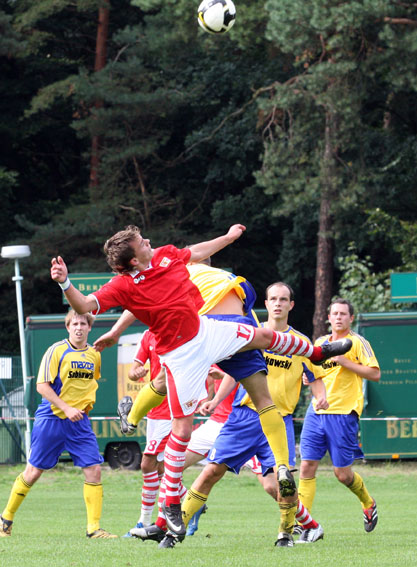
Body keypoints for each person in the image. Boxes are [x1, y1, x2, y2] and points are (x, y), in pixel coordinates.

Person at [50, 224, 351, 542]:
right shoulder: (122, 285)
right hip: (181, 355)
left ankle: (317, 353)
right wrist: (65, 282)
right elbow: (84, 305)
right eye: (142, 243)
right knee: (181, 430)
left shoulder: (164, 255)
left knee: (263, 335)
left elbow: (196, 251)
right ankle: (171, 503)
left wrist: (228, 238)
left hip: (206, 330)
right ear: (134, 260)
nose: (149, 241)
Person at [0, 310, 117, 539]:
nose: (79, 327)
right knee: (33, 472)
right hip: (51, 418)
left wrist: (83, 409)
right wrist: (67, 408)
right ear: (68, 327)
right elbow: (41, 386)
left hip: (79, 423)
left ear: (89, 327)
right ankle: (5, 519)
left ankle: (94, 529)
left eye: (83, 323)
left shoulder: (94, 355)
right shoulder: (56, 350)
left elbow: (88, 386)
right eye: (75, 323)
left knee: (94, 470)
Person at [298, 298, 381, 533]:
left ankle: (368, 503)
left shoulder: (358, 342)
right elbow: (312, 374)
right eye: (334, 313)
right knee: (306, 466)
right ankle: (303, 523)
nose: (338, 317)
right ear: (328, 317)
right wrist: (308, 379)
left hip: (343, 414)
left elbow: (375, 374)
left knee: (342, 475)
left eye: (343, 314)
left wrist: (346, 362)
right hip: (316, 412)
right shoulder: (320, 343)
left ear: (351, 318)